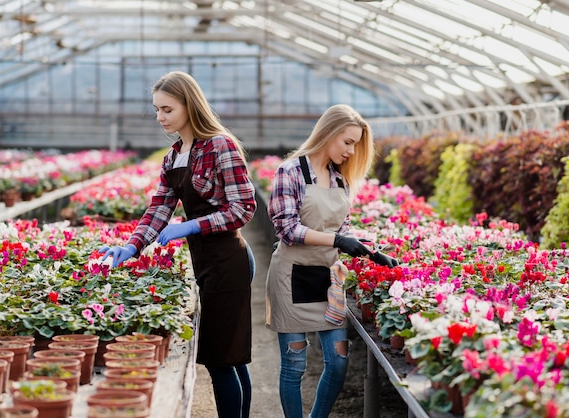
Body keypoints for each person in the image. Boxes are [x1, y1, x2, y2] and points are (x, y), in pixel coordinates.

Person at [99, 71, 257, 418]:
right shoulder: (173, 156)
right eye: (157, 110)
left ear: (190, 105)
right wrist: (131, 246)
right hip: (206, 261)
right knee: (230, 356)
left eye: (167, 109)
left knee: (220, 359)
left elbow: (244, 208)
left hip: (228, 258)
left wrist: (194, 225)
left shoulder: (219, 145)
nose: (160, 117)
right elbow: (159, 208)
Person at [265, 104, 398, 418]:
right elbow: (287, 228)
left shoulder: (341, 180)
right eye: (347, 142)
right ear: (327, 133)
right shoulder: (291, 171)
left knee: (338, 362)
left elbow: (344, 229)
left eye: (356, 144)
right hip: (290, 277)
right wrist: (338, 240)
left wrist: (370, 251)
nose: (351, 151)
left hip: (328, 278)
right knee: (295, 364)